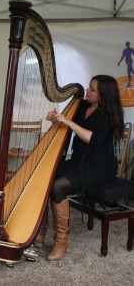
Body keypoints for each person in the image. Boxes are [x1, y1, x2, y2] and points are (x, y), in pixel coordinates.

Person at [33, 75, 124, 261]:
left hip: (100, 166)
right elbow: (67, 131)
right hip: (79, 160)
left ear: (103, 95)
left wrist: (67, 121)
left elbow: (92, 138)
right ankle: (39, 229)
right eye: (88, 87)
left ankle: (61, 241)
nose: (87, 91)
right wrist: (56, 120)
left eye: (92, 89)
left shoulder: (109, 114)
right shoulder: (81, 106)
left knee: (57, 185)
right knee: (42, 175)